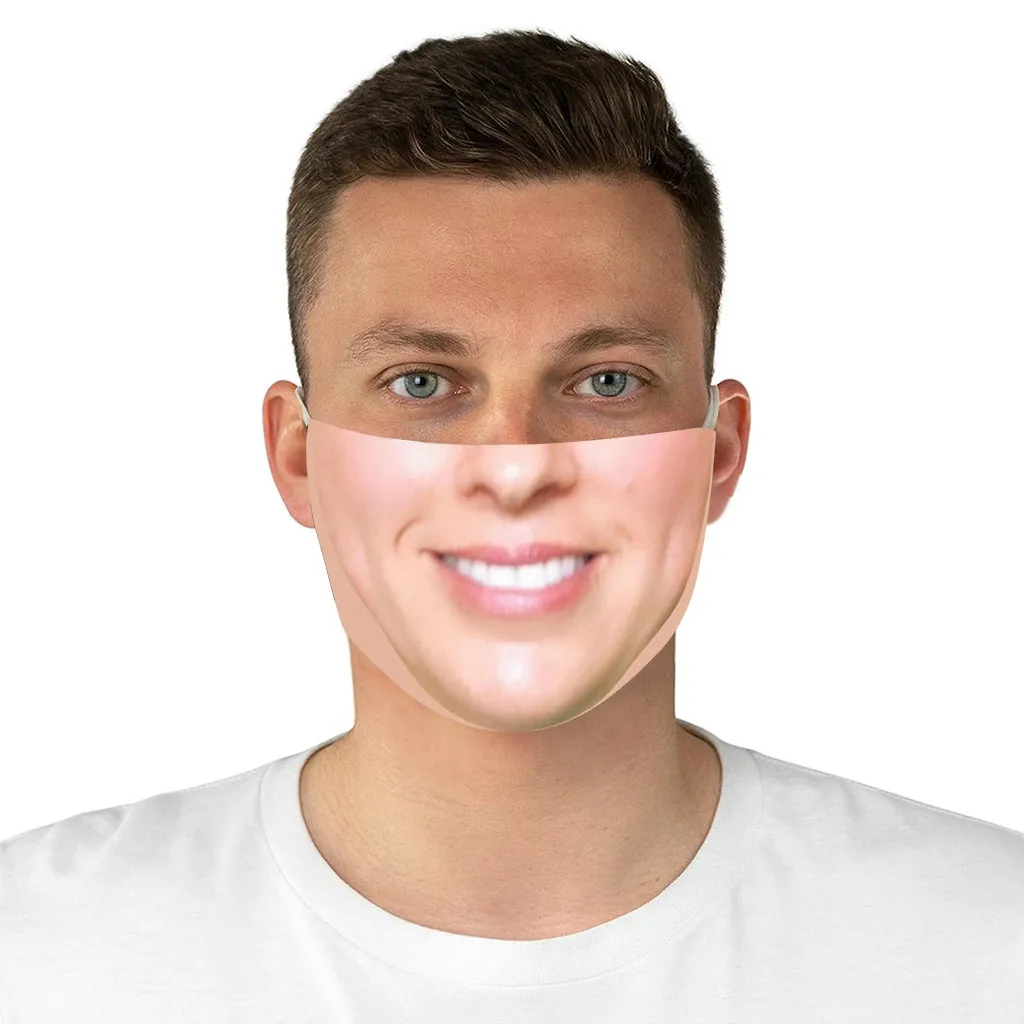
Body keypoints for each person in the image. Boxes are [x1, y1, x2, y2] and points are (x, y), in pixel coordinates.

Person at [1, 28, 1021, 1023]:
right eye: (422, 382)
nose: (517, 465)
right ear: (297, 457)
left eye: (607, 381)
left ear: (719, 454)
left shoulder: (989, 945)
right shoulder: (38, 953)